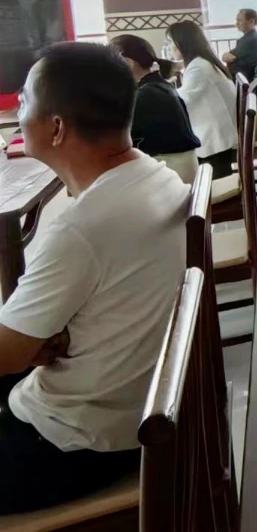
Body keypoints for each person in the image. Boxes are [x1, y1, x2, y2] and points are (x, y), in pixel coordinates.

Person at [0, 43, 188, 513]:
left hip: (69, 445)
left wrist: (23, 342)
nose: (19, 111)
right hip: (137, 411)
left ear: (56, 127)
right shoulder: (156, 177)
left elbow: (8, 355)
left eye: (25, 101)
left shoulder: (81, 227)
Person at [109, 35, 202, 159]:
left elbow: (118, 136)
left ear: (129, 63)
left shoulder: (146, 94)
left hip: (170, 162)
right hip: (179, 160)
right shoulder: (157, 86)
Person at [166, 21, 237, 178]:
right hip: (220, 135)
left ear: (182, 42)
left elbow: (180, 102)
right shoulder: (202, 62)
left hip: (215, 143)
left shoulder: (198, 68)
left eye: (171, 41)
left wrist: (159, 89)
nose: (169, 46)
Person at [221, 8, 257, 82]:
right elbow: (231, 55)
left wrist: (226, 56)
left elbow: (230, 58)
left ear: (251, 22)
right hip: (245, 77)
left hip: (242, 80)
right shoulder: (253, 37)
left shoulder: (248, 40)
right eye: (236, 20)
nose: (237, 23)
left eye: (240, 20)